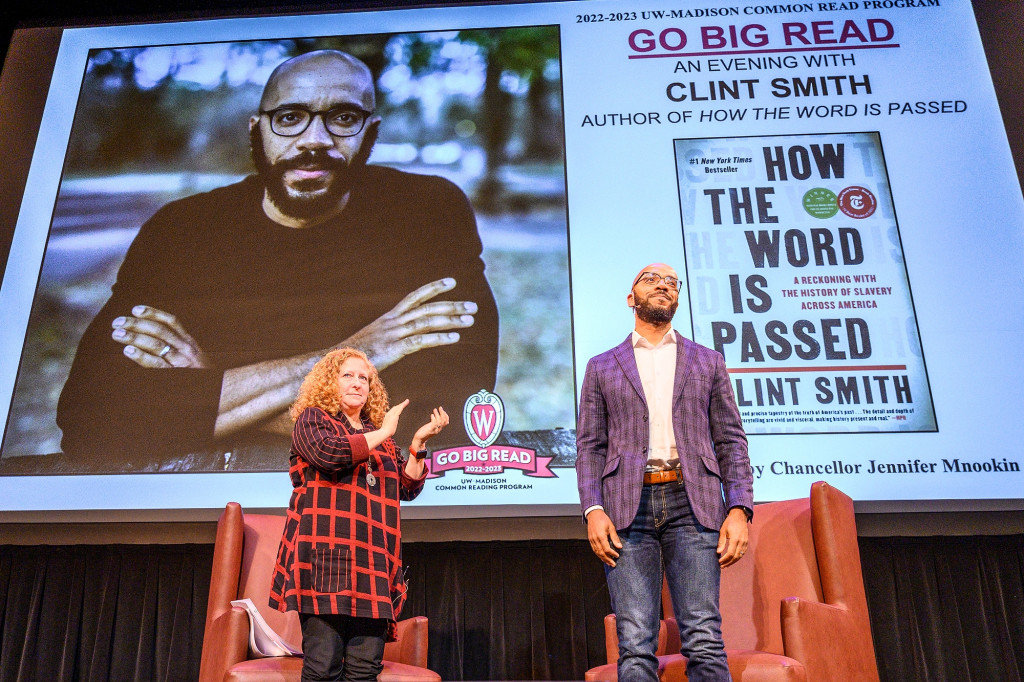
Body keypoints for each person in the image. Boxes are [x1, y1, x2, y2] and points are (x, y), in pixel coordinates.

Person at [55, 49, 498, 472]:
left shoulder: (427, 213)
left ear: (371, 130)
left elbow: (442, 423)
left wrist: (211, 383)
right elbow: (91, 417)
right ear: (257, 128)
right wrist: (362, 352)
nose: (315, 140)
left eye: (343, 118)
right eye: (289, 118)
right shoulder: (182, 229)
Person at [575, 263, 754, 682]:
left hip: (693, 505)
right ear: (630, 296)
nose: (663, 285)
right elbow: (589, 446)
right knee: (636, 644)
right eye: (651, 279)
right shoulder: (602, 366)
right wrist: (592, 509)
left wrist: (740, 508)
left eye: (672, 282)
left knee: (704, 637)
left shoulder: (707, 361)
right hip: (626, 508)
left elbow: (731, 440)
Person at [269, 347, 446, 681]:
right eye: (347, 375)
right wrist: (384, 433)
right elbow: (330, 454)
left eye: (363, 378)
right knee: (323, 666)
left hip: (374, 564)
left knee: (365, 670)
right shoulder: (314, 420)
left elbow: (407, 487)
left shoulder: (378, 434)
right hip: (327, 560)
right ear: (329, 383)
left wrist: (418, 445)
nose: (357, 383)